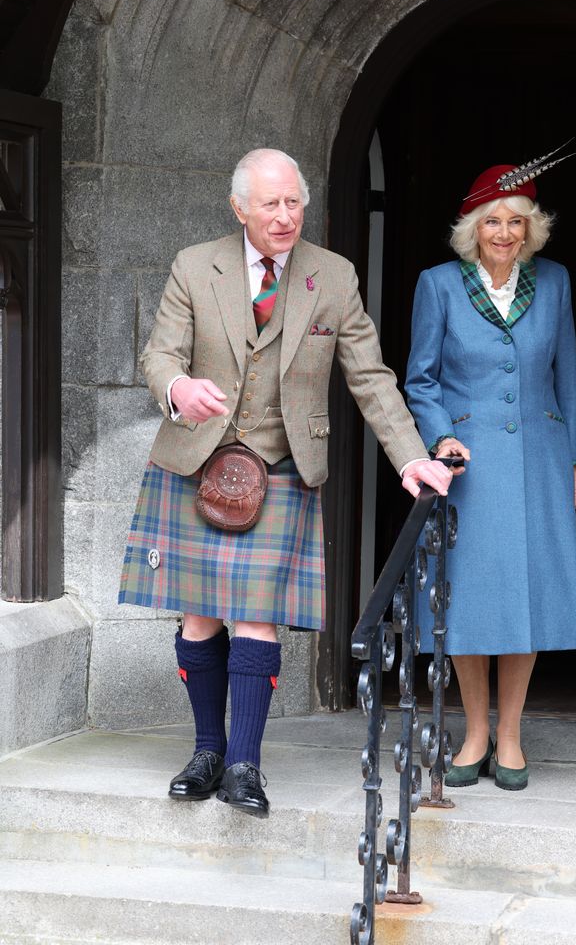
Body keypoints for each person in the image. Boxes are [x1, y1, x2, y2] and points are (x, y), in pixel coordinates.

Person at [119, 148, 452, 818]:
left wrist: (410, 456)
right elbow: (160, 354)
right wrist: (179, 387)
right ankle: (207, 750)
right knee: (200, 613)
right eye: (270, 204)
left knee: (257, 617)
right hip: (195, 463)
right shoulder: (195, 265)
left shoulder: (332, 275)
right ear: (239, 207)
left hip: (282, 467)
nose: (284, 215)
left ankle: (245, 764)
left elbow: (369, 375)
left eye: (294, 202)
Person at [405, 160, 576, 791]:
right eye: (493, 221)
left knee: (527, 596)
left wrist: (572, 463)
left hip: (539, 460)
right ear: (473, 228)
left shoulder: (556, 282)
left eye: (516, 221)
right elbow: (420, 379)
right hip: (470, 468)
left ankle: (510, 734)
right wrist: (440, 436)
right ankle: (475, 732)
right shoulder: (438, 285)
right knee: (470, 598)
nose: (504, 233)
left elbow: (566, 377)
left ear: (532, 228)